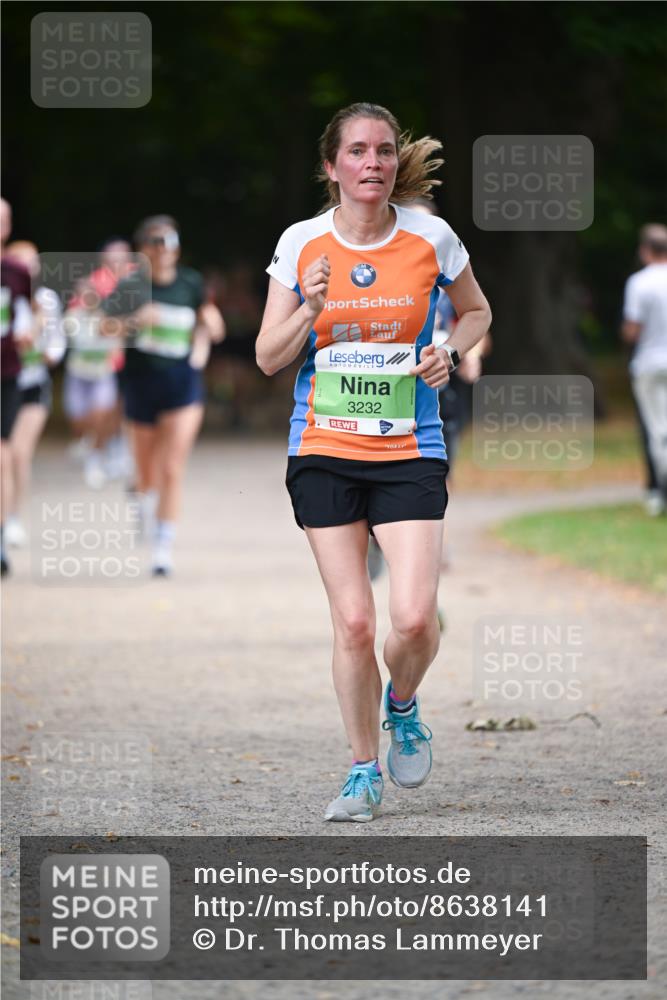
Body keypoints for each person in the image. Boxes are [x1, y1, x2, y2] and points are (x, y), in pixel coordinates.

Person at [257, 102, 491, 822]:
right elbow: (267, 356)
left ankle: (403, 702)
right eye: (357, 151)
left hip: (408, 447)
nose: (373, 162)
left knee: (414, 619)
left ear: (395, 163)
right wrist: (309, 308)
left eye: (383, 150)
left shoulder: (431, 237)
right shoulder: (301, 243)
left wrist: (448, 352)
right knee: (355, 623)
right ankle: (362, 770)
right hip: (324, 448)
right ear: (331, 166)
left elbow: (477, 312)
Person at [100, 215, 225, 575]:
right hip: (141, 384)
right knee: (146, 471)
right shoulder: (131, 287)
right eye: (156, 242)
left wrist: (208, 332)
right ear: (143, 249)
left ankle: (162, 547)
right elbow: (103, 327)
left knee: (171, 467)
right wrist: (135, 321)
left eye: (170, 242)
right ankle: (142, 501)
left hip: (183, 384)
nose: (163, 249)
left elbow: (210, 323)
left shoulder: (190, 283)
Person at [3, 241, 66, 546]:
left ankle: (14, 517)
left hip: (33, 384)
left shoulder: (47, 300)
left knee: (18, 452)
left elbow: (56, 342)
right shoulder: (8, 296)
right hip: (7, 383)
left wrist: (45, 353)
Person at [63, 238, 134, 489]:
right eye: (112, 256)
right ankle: (107, 448)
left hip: (130, 353)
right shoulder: (95, 282)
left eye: (121, 255)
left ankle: (117, 450)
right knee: (107, 408)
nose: (116, 261)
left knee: (120, 406)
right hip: (105, 358)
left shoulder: (138, 279)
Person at [622, 223, 667, 515]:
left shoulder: (639, 283)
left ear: (645, 250)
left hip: (650, 363)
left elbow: (632, 329)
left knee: (656, 429)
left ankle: (658, 489)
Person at [1, 198, 34, 575]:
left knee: (2, 453)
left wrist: (31, 333)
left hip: (6, 374)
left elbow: (38, 311)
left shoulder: (15, 272)